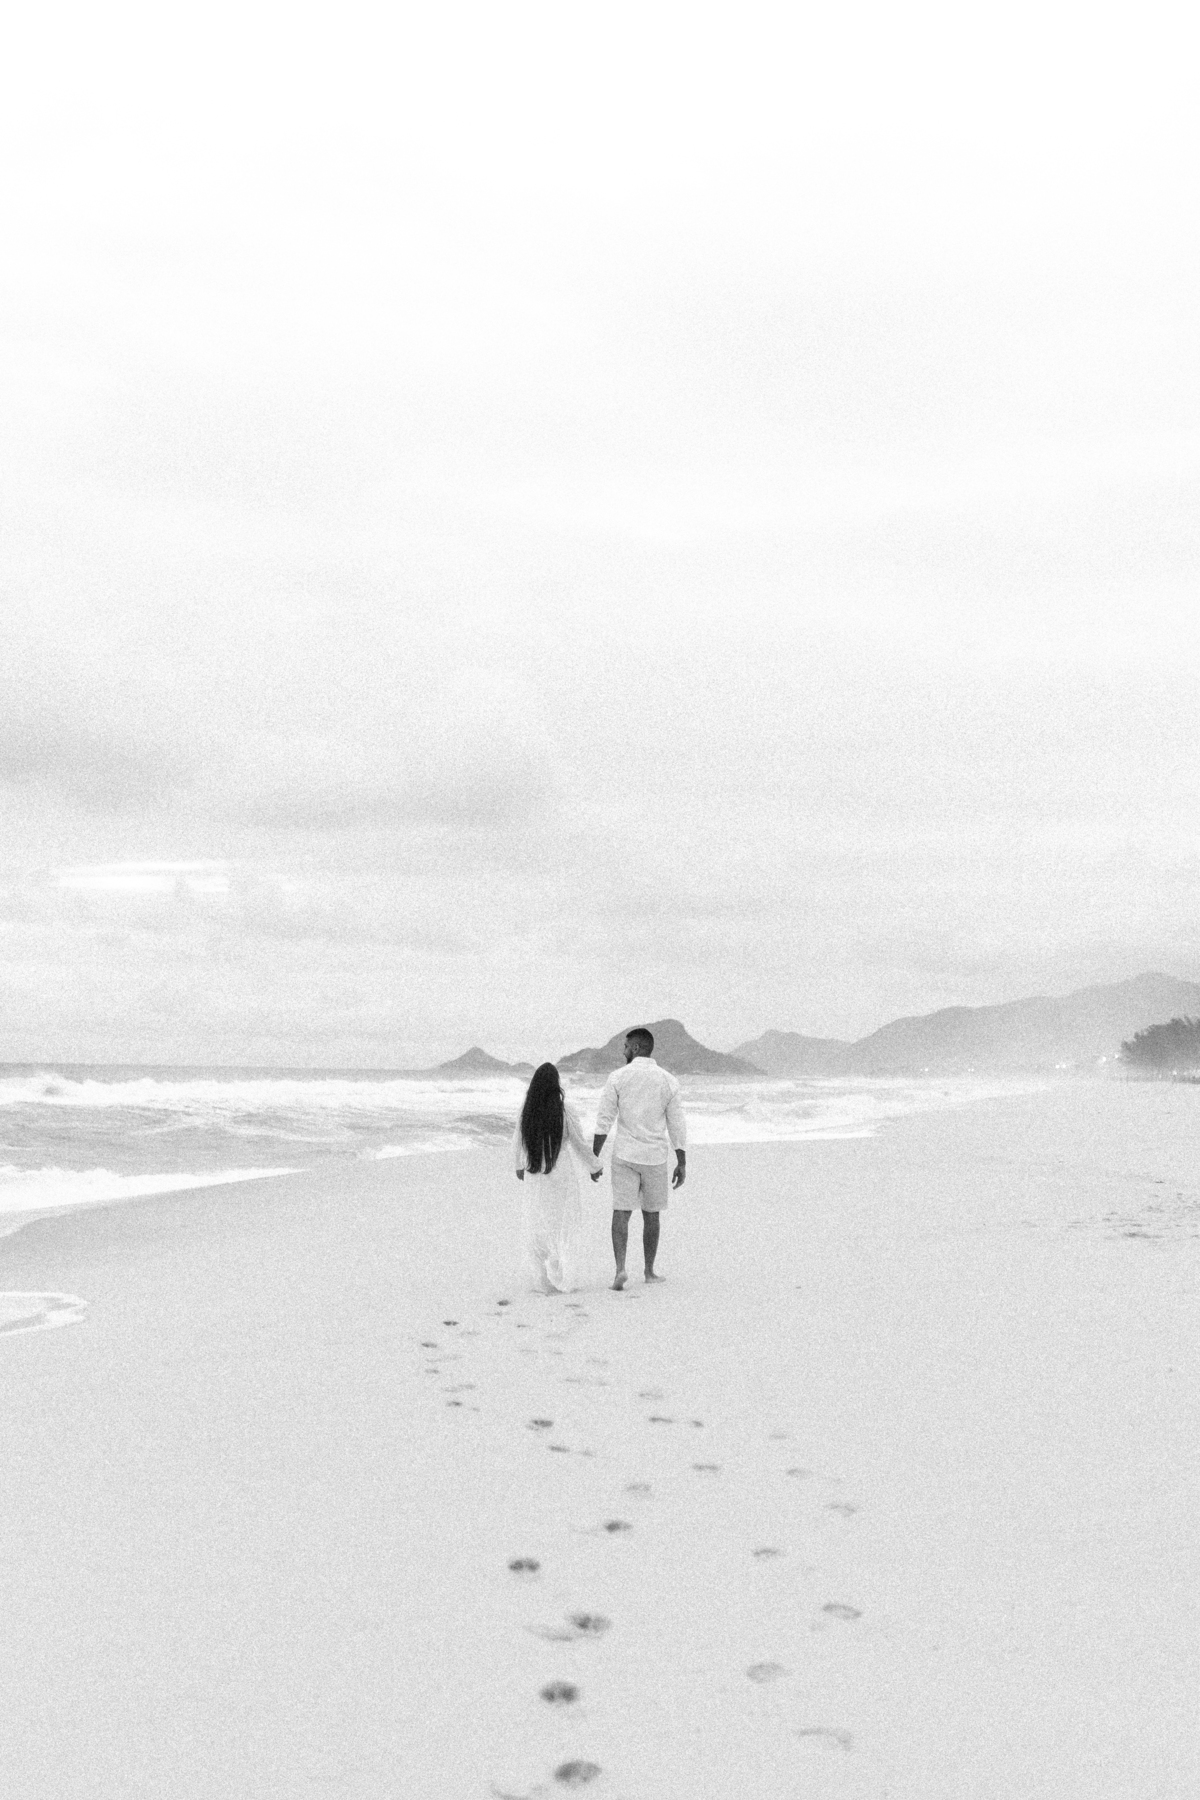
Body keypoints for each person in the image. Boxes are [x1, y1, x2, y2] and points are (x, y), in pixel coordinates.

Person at [591, 1026, 687, 1290]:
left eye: (625, 1046)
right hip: (655, 1157)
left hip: (625, 1155)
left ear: (635, 1048)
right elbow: (676, 1124)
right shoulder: (668, 1081)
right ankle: (649, 1271)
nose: (623, 1051)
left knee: (621, 1211)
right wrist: (682, 1161)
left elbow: (604, 1120)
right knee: (651, 1215)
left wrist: (594, 1157)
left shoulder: (617, 1077)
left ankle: (620, 1269)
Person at [513, 1062, 602, 1294]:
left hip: (535, 1172)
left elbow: (518, 1140)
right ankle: (560, 1274)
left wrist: (519, 1165)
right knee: (562, 1223)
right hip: (560, 1171)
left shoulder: (527, 1110)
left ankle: (541, 1278)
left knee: (538, 1221)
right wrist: (594, 1166)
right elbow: (579, 1142)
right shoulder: (564, 1110)